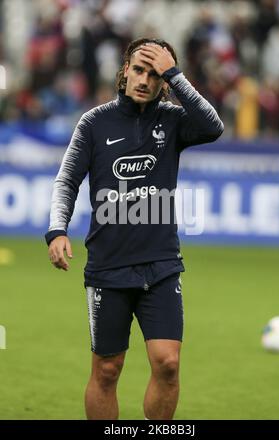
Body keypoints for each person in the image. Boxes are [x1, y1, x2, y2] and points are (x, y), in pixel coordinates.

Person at [45, 37, 224, 420]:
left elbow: (214, 127)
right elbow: (67, 181)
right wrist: (57, 229)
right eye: (139, 69)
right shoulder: (94, 122)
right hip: (108, 266)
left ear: (165, 82)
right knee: (107, 370)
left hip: (160, 263)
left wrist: (176, 74)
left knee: (168, 364)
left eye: (155, 73)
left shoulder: (174, 120)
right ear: (125, 69)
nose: (144, 79)